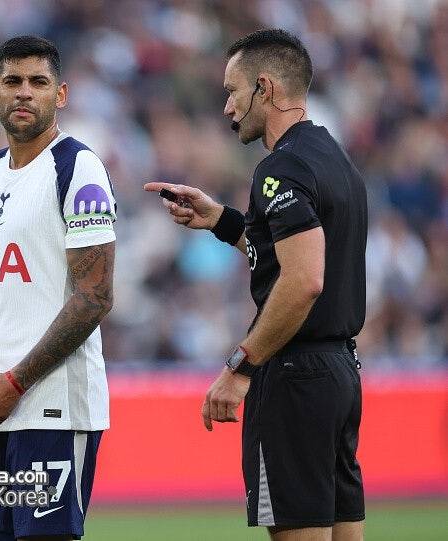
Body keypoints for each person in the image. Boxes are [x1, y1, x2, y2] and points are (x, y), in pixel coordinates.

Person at [145, 29, 366, 541]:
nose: (227, 107)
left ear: (264, 88)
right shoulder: (335, 159)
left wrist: (241, 367)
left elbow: (304, 279)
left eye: (232, 91)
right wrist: (222, 221)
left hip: (293, 376)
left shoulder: (280, 168)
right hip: (339, 372)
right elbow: (293, 251)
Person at [0, 35, 116, 541]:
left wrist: (14, 383)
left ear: (61, 95)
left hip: (53, 409)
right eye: (12, 81)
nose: (24, 92)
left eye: (38, 82)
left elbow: (96, 296)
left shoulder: (77, 167)